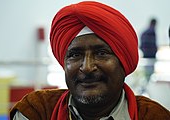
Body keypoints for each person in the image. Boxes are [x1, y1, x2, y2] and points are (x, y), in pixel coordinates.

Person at [10, 1, 170, 120]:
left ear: (123, 61)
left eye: (101, 53)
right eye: (75, 55)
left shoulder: (153, 116)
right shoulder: (38, 110)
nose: (87, 67)